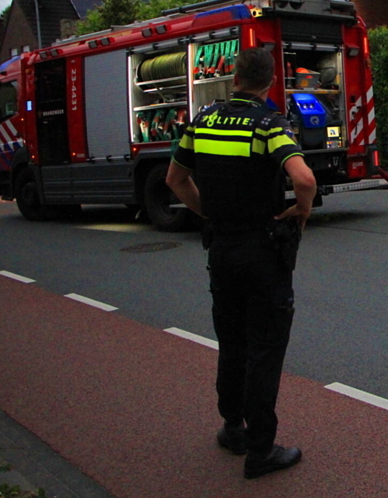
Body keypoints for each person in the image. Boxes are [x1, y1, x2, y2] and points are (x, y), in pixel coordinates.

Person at [166, 47, 317, 480]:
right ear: (271, 82)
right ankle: (261, 450)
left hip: (221, 249)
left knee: (231, 343)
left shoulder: (202, 122)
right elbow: (304, 178)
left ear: (234, 78)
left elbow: (175, 179)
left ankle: (233, 428)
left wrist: (209, 213)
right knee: (264, 348)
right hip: (262, 251)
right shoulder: (268, 125)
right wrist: (301, 211)